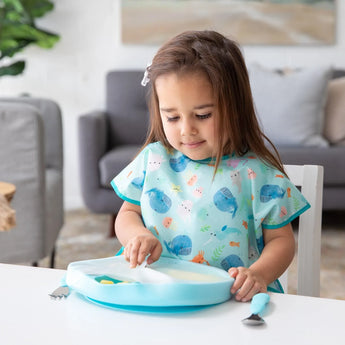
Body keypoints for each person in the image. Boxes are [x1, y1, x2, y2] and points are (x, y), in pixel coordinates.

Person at [111, 30, 310, 302]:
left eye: (203, 115)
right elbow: (127, 214)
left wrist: (258, 274)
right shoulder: (153, 160)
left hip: (229, 300)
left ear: (236, 107)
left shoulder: (258, 173)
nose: (187, 129)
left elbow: (282, 242)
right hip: (157, 292)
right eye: (172, 117)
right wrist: (137, 236)